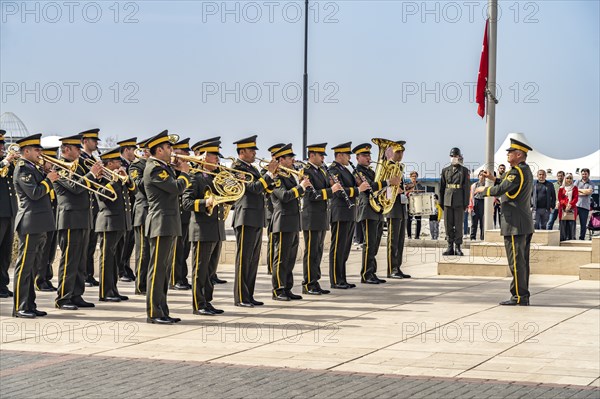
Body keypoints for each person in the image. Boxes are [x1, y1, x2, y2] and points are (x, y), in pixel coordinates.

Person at [476, 138, 534, 306]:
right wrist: (494, 179)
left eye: (510, 152)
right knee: (522, 262)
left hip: (515, 224)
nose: (508, 155)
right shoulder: (524, 170)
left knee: (516, 261)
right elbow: (511, 185)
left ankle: (518, 296)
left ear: (519, 155)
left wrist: (484, 189)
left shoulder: (516, 171)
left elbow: (502, 190)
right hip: (522, 223)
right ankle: (522, 295)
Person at [144, 130, 190, 324]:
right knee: (157, 270)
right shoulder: (154, 168)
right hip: (160, 223)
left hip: (168, 223)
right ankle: (154, 312)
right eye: (169, 147)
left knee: (163, 270)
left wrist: (179, 171)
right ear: (160, 149)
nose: (172, 151)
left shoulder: (162, 167)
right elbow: (176, 188)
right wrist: (185, 173)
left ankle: (162, 309)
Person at [12, 134, 59, 317]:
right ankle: (20, 306)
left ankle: (29, 304)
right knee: (24, 267)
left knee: (32, 267)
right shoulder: (23, 169)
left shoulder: (34, 168)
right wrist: (49, 179)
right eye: (37, 150)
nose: (40, 153)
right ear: (26, 151)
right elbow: (34, 193)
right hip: (30, 223)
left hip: (40, 223)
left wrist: (46, 174)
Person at [54, 134, 101, 310]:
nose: (80, 152)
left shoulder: (79, 166)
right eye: (76, 148)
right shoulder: (60, 167)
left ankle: (76, 294)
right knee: (69, 260)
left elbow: (87, 186)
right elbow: (75, 187)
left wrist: (98, 176)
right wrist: (91, 174)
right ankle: (63, 298)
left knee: (81, 260)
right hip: (70, 219)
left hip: (83, 218)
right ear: (66, 149)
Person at [230, 135, 277, 307]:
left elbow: (265, 189)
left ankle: (248, 295)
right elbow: (254, 188)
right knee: (243, 259)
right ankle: (240, 297)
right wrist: (269, 174)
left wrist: (272, 176)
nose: (254, 153)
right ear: (241, 152)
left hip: (256, 217)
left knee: (253, 259)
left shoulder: (253, 168)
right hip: (245, 217)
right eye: (251, 150)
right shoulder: (237, 168)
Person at [182, 140, 226, 315]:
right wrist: (204, 202)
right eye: (214, 156)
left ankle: (207, 301)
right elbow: (186, 203)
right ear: (204, 157)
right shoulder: (194, 176)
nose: (217, 160)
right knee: (200, 270)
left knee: (210, 271)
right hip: (201, 229)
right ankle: (198, 304)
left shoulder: (217, 176)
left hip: (216, 228)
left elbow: (226, 199)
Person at [353, 143, 400, 284]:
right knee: (369, 243)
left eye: (369, 155)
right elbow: (368, 187)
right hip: (367, 209)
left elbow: (379, 185)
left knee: (375, 243)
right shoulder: (358, 172)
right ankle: (366, 274)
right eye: (365, 155)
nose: (368, 158)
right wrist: (387, 181)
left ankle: (372, 272)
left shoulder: (372, 171)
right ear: (357, 157)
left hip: (377, 209)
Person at [270, 144, 311, 300]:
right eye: (290, 158)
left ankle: (287, 287)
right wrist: (300, 187)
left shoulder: (288, 175)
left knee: (290, 257)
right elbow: (284, 196)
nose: (293, 160)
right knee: (281, 258)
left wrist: (301, 184)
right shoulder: (276, 176)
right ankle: (278, 289)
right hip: (282, 221)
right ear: (281, 160)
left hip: (293, 220)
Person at [95, 147, 136, 302]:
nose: (121, 163)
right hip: (108, 222)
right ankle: (105, 292)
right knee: (107, 259)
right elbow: (104, 196)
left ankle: (113, 289)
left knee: (116, 259)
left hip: (120, 223)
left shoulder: (119, 177)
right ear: (110, 163)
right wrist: (116, 181)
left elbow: (134, 191)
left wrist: (126, 179)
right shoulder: (102, 178)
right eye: (118, 161)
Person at [301, 143, 341, 295]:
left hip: (321, 216)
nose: (324, 158)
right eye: (321, 155)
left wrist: (332, 186)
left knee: (317, 252)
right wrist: (331, 190)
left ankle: (315, 281)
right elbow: (311, 195)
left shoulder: (322, 170)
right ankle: (308, 283)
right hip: (311, 217)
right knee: (311, 252)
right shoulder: (306, 171)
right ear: (312, 155)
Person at [328, 142, 367, 289]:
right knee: (338, 247)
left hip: (349, 212)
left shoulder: (345, 170)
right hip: (340, 212)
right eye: (347, 155)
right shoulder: (333, 169)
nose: (349, 157)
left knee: (344, 248)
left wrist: (358, 182)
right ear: (339, 155)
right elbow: (338, 191)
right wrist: (358, 189)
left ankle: (342, 278)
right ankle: (335, 280)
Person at [79, 128, 102, 287]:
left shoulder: (93, 158)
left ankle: (89, 274)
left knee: (92, 243)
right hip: (84, 204)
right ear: (85, 141)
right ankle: (85, 275)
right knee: (85, 245)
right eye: (94, 141)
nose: (96, 143)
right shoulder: (80, 159)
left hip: (93, 205)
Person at [386, 141, 411, 279]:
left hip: (401, 207)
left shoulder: (399, 167)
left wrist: (404, 189)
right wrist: (395, 190)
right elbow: (385, 186)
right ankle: (391, 268)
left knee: (400, 240)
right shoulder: (387, 167)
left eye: (402, 152)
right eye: (398, 152)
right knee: (393, 239)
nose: (400, 155)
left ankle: (398, 267)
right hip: (392, 206)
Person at [170, 138, 193, 290]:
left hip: (186, 214)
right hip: (176, 214)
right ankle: (175, 279)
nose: (185, 156)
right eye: (182, 153)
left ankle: (182, 277)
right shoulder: (171, 170)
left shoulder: (187, 170)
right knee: (176, 250)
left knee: (184, 250)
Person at [35, 147, 59, 292]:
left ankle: (46, 277)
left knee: (50, 248)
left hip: (53, 213)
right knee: (43, 250)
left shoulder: (53, 176)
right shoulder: (40, 176)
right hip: (42, 216)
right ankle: (39, 279)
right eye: (49, 162)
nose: (51, 166)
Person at [439, 148, 470, 256]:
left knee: (458, 225)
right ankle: (449, 246)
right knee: (448, 224)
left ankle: (458, 247)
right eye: (452, 156)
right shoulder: (445, 170)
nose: (453, 158)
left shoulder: (464, 170)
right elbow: (441, 187)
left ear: (459, 157)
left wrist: (466, 203)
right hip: (447, 200)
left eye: (455, 156)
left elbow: (466, 188)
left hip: (459, 200)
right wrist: (441, 202)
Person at [115, 137, 138, 282]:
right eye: (133, 150)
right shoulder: (121, 165)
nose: (135, 153)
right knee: (122, 243)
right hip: (122, 209)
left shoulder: (130, 165)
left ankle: (124, 267)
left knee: (129, 242)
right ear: (126, 150)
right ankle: (121, 269)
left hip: (130, 208)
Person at [130, 139, 150, 295]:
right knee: (143, 252)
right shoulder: (136, 166)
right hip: (143, 213)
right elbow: (139, 185)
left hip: (155, 213)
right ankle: (140, 285)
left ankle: (150, 283)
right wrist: (151, 164)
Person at [0, 130, 18, 298]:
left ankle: (2, 284)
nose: (2, 148)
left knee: (5, 252)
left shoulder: (7, 164)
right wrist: (5, 161)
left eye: (2, 145)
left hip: (9, 212)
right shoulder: (2, 163)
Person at [264, 143, 285, 275]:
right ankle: (271, 267)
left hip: (281, 211)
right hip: (272, 210)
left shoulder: (284, 172)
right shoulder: (266, 171)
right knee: (273, 242)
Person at [558, 173, 579, 241]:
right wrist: (565, 204)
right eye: (567, 178)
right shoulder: (561, 188)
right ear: (565, 179)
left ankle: (571, 238)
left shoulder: (574, 188)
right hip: (563, 208)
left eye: (570, 178)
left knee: (571, 224)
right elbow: (560, 198)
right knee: (563, 224)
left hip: (572, 208)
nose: (569, 180)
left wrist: (570, 204)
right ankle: (562, 238)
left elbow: (576, 198)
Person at [575, 168, 594, 240]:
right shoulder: (577, 181)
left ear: (588, 174)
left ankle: (581, 238)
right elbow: (574, 191)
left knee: (583, 224)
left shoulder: (591, 183)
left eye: (585, 174)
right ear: (581, 174)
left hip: (585, 207)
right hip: (576, 205)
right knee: (572, 222)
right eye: (583, 174)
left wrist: (579, 190)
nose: (584, 175)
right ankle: (572, 237)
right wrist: (584, 191)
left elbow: (589, 192)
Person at [406, 171, 425, 239]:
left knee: (418, 220)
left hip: (418, 204)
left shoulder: (419, 185)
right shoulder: (407, 185)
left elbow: (422, 194)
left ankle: (417, 236)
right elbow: (405, 193)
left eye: (415, 176)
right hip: (409, 204)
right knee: (409, 220)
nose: (414, 178)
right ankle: (409, 235)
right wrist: (409, 191)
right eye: (413, 176)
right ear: (410, 177)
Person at [469, 171, 486, 240]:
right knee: (474, 221)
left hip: (484, 202)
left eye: (483, 175)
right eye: (481, 175)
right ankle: (473, 237)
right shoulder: (474, 185)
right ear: (478, 176)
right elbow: (471, 196)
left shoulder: (487, 185)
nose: (482, 177)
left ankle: (483, 237)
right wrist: (470, 207)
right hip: (475, 202)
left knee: (483, 222)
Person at [493, 164, 506, 228]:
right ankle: (494, 227)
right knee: (494, 215)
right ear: (498, 169)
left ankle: (502, 228)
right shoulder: (495, 179)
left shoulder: (506, 178)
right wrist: (495, 199)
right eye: (501, 168)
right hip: (495, 199)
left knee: (502, 216)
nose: (502, 169)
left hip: (503, 200)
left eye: (503, 168)